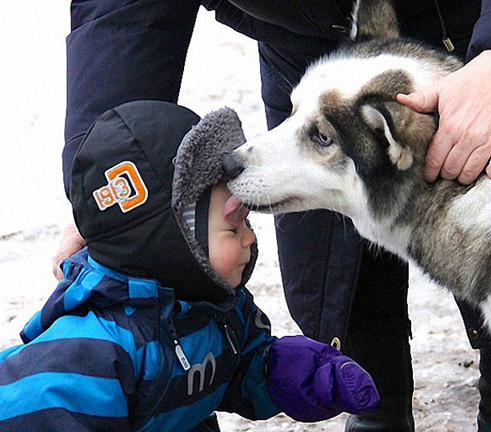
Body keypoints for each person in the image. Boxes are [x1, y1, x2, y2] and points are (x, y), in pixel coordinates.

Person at [56, 1, 491, 431]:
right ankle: (375, 408)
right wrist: (104, 178)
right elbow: (122, 16)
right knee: (330, 279)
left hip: (473, 36)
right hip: (315, 49)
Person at [0, 100, 380, 432]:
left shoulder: (218, 311)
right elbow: (33, 411)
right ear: (171, 244)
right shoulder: (87, 357)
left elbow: (244, 366)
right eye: (234, 227)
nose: (249, 239)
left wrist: (310, 376)